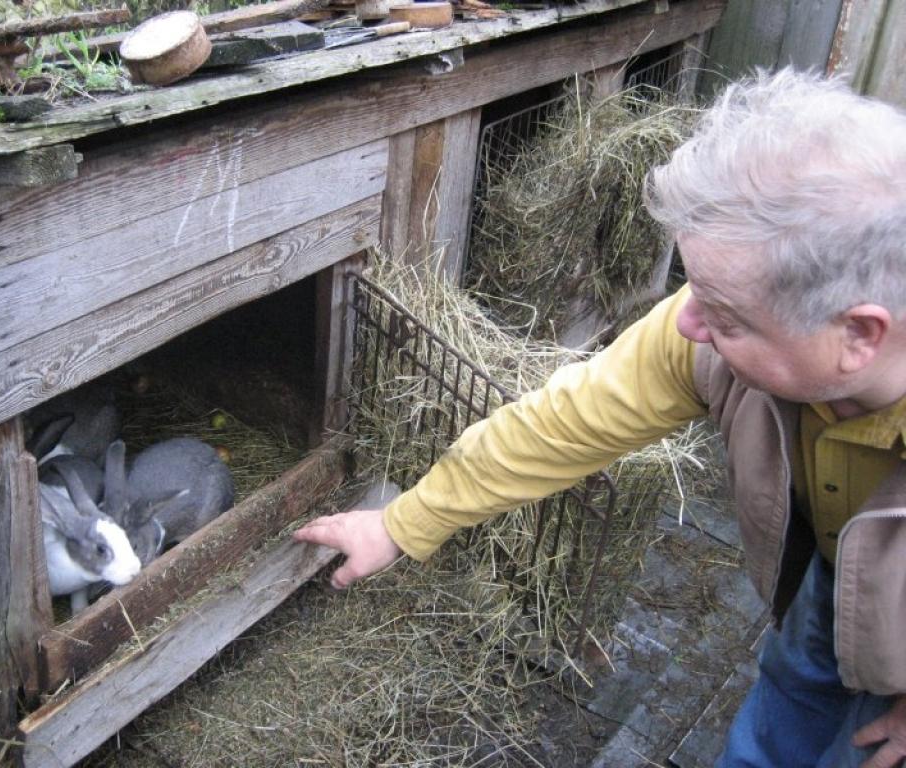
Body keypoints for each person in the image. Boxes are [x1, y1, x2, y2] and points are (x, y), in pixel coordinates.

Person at [293, 68, 906, 767]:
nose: (690, 323)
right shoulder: (698, 327)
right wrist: (400, 522)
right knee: (791, 692)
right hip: (835, 568)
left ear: (858, 335)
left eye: (729, 314)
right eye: (692, 287)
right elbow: (560, 425)